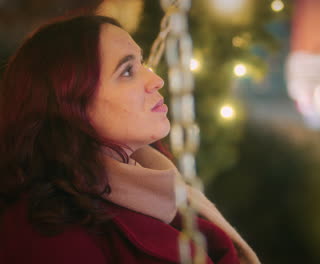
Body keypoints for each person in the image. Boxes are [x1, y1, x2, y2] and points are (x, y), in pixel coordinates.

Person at [0, 15, 259, 264]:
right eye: (127, 71)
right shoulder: (48, 234)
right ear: (70, 105)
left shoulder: (157, 186)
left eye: (141, 62)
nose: (156, 80)